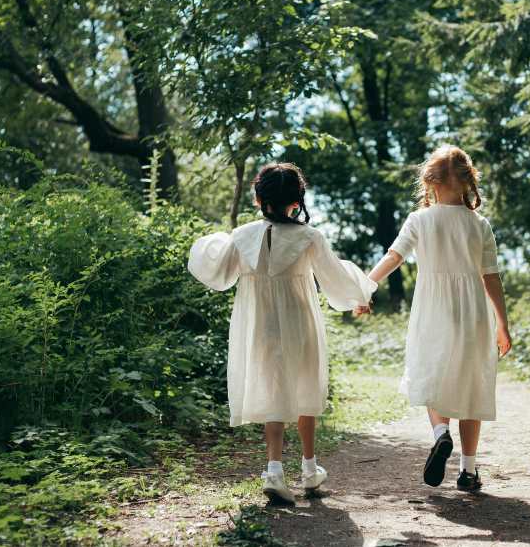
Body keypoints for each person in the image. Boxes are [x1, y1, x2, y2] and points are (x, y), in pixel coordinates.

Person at [188, 163, 376, 504]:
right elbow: (335, 277)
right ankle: (309, 469)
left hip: (259, 324)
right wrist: (359, 296)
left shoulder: (241, 236)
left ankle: (274, 470)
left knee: (273, 388)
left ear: (258, 198)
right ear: (297, 200)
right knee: (305, 386)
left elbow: (218, 271)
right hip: (300, 322)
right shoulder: (309, 237)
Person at [357, 145, 512, 492]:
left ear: (430, 181)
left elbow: (393, 257)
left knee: (430, 375)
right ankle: (468, 471)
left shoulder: (420, 220)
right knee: (471, 386)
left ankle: (441, 434)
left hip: (432, 309)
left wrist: (364, 288)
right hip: (473, 313)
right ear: (467, 182)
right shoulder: (480, 225)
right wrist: (503, 324)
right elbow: (491, 277)